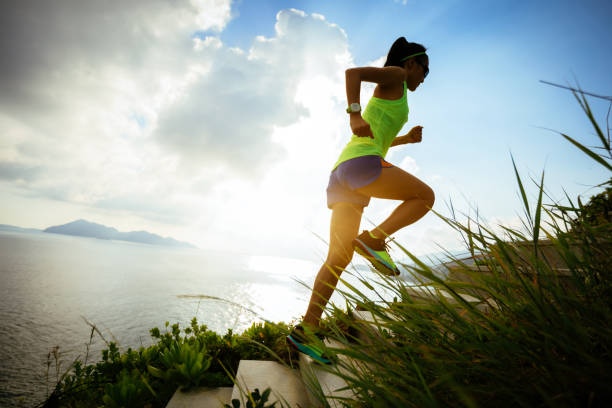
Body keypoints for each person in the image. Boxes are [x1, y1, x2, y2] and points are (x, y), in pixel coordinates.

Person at [287, 37, 434, 364]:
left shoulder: (398, 92)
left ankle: (307, 330)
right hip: (361, 165)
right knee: (425, 196)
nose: (426, 76)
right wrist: (354, 114)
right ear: (411, 64)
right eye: (425, 68)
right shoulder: (396, 74)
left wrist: (405, 139)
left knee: (338, 257)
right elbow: (352, 73)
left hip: (345, 171)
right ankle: (374, 240)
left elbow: (376, 139)